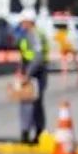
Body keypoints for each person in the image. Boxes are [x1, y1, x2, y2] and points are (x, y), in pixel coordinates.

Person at [16, 9, 49, 144]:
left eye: (23, 22)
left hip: (36, 73)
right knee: (33, 104)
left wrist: (27, 75)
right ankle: (35, 133)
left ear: (29, 21)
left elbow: (37, 57)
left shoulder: (34, 35)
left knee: (29, 103)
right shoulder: (31, 34)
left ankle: (29, 134)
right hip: (32, 71)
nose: (21, 24)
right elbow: (25, 56)